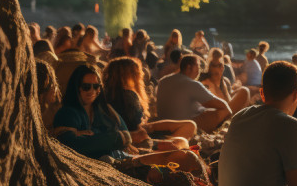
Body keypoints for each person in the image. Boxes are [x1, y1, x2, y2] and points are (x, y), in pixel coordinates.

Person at [53, 65, 202, 171]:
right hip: (114, 163)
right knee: (184, 156)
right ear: (76, 87)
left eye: (96, 86)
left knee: (185, 153)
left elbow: (126, 135)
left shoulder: (104, 109)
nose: (92, 91)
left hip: (127, 154)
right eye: (86, 86)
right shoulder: (68, 113)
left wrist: (119, 138)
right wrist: (118, 138)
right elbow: (72, 145)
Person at [103, 57, 196, 149]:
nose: (141, 74)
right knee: (187, 130)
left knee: (189, 125)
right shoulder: (128, 95)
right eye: (137, 72)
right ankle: (162, 149)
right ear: (128, 75)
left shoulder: (106, 94)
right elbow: (137, 126)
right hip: (138, 139)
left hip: (134, 133)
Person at [155, 54, 232, 132]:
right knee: (224, 111)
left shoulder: (163, 81)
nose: (199, 71)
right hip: (184, 126)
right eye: (198, 67)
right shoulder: (191, 84)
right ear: (189, 67)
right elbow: (224, 106)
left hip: (162, 125)